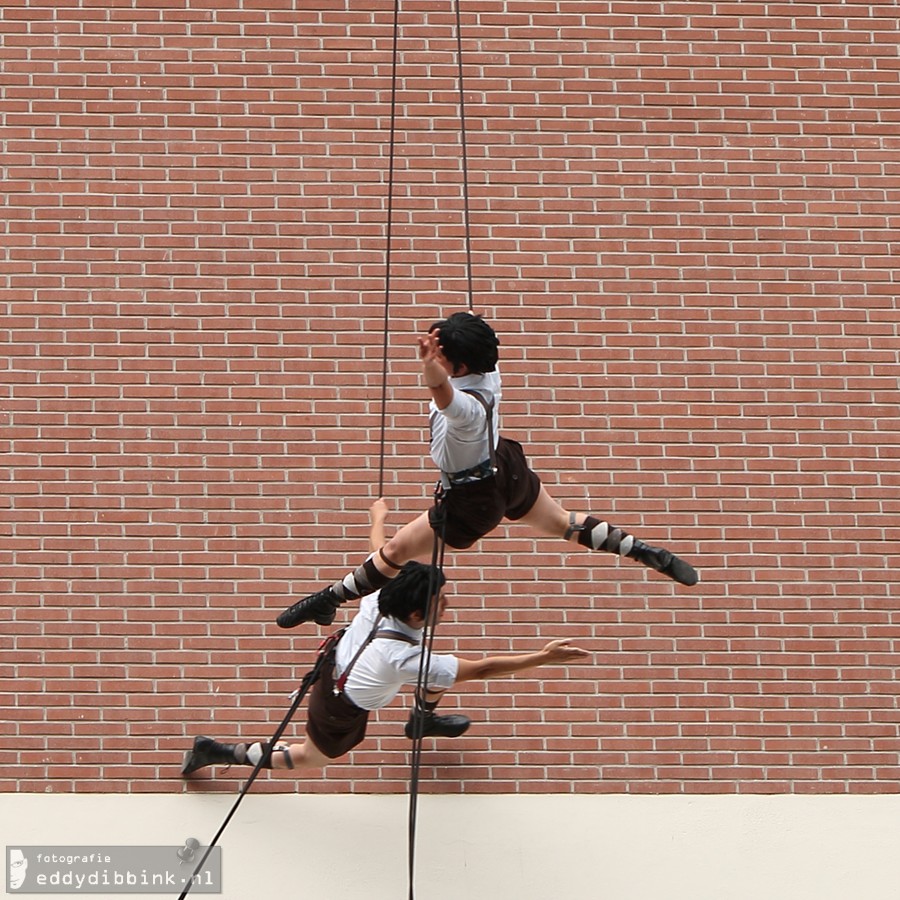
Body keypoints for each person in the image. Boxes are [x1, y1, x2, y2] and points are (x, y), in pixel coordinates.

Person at [277, 311, 698, 630]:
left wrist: (428, 366)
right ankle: (644, 552)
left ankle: (329, 599)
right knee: (562, 523)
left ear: (458, 367)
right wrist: (449, 340)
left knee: (394, 553)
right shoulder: (488, 369)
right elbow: (470, 344)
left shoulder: (466, 411)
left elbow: (442, 393)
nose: (435, 354)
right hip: (505, 469)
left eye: (442, 353)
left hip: (471, 499)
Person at [182, 499, 590, 776]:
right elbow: (482, 670)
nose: (447, 606)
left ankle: (422, 718)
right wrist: (543, 657)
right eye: (441, 602)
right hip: (338, 708)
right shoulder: (405, 659)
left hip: (338, 666)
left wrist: (377, 518)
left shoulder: (381, 595)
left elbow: (382, 554)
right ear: (416, 613)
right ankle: (216, 752)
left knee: (435, 671)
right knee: (309, 759)